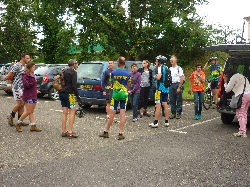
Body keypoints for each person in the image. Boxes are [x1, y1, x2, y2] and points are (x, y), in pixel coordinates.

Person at [99, 56, 131, 140]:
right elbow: (129, 84)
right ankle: (120, 133)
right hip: (124, 95)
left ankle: (106, 132)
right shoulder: (128, 74)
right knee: (122, 114)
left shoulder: (112, 73)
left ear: (118, 63)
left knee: (112, 114)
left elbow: (111, 83)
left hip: (115, 95)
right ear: (124, 64)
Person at [15, 62, 42, 132]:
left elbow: (34, 85)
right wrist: (34, 82)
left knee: (31, 111)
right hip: (28, 95)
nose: (34, 68)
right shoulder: (25, 75)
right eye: (33, 67)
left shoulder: (33, 75)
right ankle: (18, 123)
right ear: (29, 68)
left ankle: (33, 125)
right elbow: (26, 85)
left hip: (33, 95)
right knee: (28, 111)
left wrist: (36, 89)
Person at [223, 68, 250, 138]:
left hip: (242, 96)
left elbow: (227, 89)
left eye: (226, 75)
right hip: (249, 95)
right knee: (244, 112)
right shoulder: (242, 76)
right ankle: (243, 130)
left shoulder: (233, 77)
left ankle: (242, 132)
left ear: (228, 74)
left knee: (240, 113)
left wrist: (225, 82)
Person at [7, 53, 31, 127]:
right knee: (20, 104)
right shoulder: (17, 65)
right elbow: (10, 75)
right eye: (27, 58)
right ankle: (11, 115)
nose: (29, 60)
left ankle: (20, 120)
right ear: (23, 58)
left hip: (22, 88)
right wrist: (14, 81)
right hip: (17, 87)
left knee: (22, 104)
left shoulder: (25, 66)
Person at [59, 59, 81, 138]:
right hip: (69, 94)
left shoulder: (63, 71)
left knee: (64, 112)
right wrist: (78, 97)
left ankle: (64, 131)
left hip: (61, 93)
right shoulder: (73, 72)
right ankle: (70, 131)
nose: (77, 65)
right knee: (72, 112)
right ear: (74, 64)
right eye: (76, 63)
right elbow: (74, 86)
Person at [149, 55, 170, 128]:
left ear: (159, 62)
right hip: (166, 88)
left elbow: (159, 77)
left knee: (158, 105)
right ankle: (166, 121)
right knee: (165, 104)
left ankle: (155, 122)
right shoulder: (166, 67)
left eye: (156, 61)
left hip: (159, 89)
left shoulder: (160, 68)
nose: (155, 62)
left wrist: (154, 75)